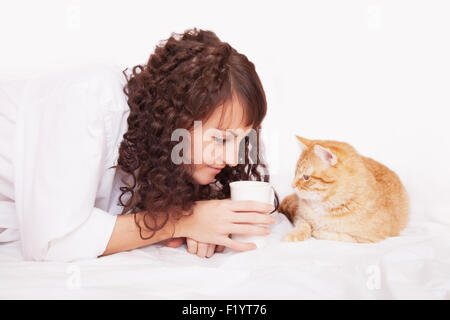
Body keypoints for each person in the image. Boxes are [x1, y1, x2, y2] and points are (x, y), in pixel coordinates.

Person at [0, 28, 279, 262]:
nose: (232, 159)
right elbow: (53, 243)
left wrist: (209, 221)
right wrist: (182, 220)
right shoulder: (87, 100)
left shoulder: (160, 152)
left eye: (242, 142)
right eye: (220, 139)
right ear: (176, 120)